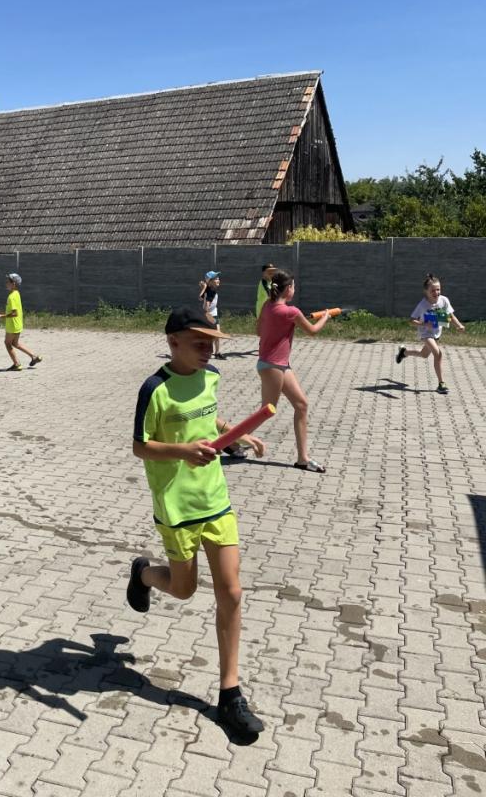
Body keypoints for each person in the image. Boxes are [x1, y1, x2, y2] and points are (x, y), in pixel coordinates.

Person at [127, 305, 266, 736]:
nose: (208, 350)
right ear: (173, 343)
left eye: (212, 343)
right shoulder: (155, 389)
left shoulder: (212, 377)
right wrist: (184, 451)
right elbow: (140, 446)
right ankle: (144, 574)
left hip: (215, 499)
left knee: (232, 591)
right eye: (199, 343)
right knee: (184, 589)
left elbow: (208, 417)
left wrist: (234, 432)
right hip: (177, 507)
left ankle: (230, 694)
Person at [256, 270, 331, 472]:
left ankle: (302, 459)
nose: (295, 290)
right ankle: (232, 441)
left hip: (277, 364)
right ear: (288, 289)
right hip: (273, 366)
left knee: (301, 405)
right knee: (266, 411)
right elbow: (313, 331)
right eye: (294, 287)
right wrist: (325, 316)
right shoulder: (291, 312)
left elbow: (258, 331)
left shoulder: (268, 305)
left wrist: (279, 328)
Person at [396, 273, 465, 394]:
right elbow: (411, 320)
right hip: (425, 333)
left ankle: (404, 352)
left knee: (424, 355)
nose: (436, 292)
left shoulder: (444, 300)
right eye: (432, 290)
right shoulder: (423, 304)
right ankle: (441, 384)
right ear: (426, 292)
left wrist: (459, 325)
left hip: (436, 333)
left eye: (438, 289)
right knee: (438, 354)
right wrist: (424, 324)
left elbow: (450, 316)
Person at [0, 273, 42, 371]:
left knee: (7, 343)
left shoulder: (11, 297)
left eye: (8, 282)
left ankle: (17, 364)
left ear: (14, 284)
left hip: (12, 325)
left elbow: (14, 313)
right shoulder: (17, 293)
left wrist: (1, 316)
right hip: (18, 324)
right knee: (15, 344)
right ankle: (34, 356)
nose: (6, 283)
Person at [199, 271, 224, 359]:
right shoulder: (211, 291)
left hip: (213, 313)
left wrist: (204, 287)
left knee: (216, 334)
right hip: (210, 315)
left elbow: (200, 298)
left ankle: (216, 352)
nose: (218, 280)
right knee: (214, 334)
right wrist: (208, 315)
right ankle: (207, 350)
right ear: (210, 282)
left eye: (218, 278)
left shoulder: (209, 289)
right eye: (216, 279)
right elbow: (207, 305)